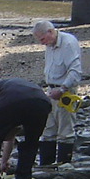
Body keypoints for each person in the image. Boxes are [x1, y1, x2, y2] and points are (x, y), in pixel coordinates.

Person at [0, 77, 53, 179]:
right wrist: (4, 161)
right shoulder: (8, 87)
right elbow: (10, 134)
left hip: (14, 101)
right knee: (31, 142)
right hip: (42, 101)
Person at [33, 20, 83, 164]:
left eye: (42, 39)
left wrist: (62, 89)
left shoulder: (68, 43)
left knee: (65, 131)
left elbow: (75, 71)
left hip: (65, 92)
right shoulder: (50, 44)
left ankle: (63, 166)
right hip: (51, 90)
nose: (42, 43)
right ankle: (46, 166)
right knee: (48, 130)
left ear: (50, 32)